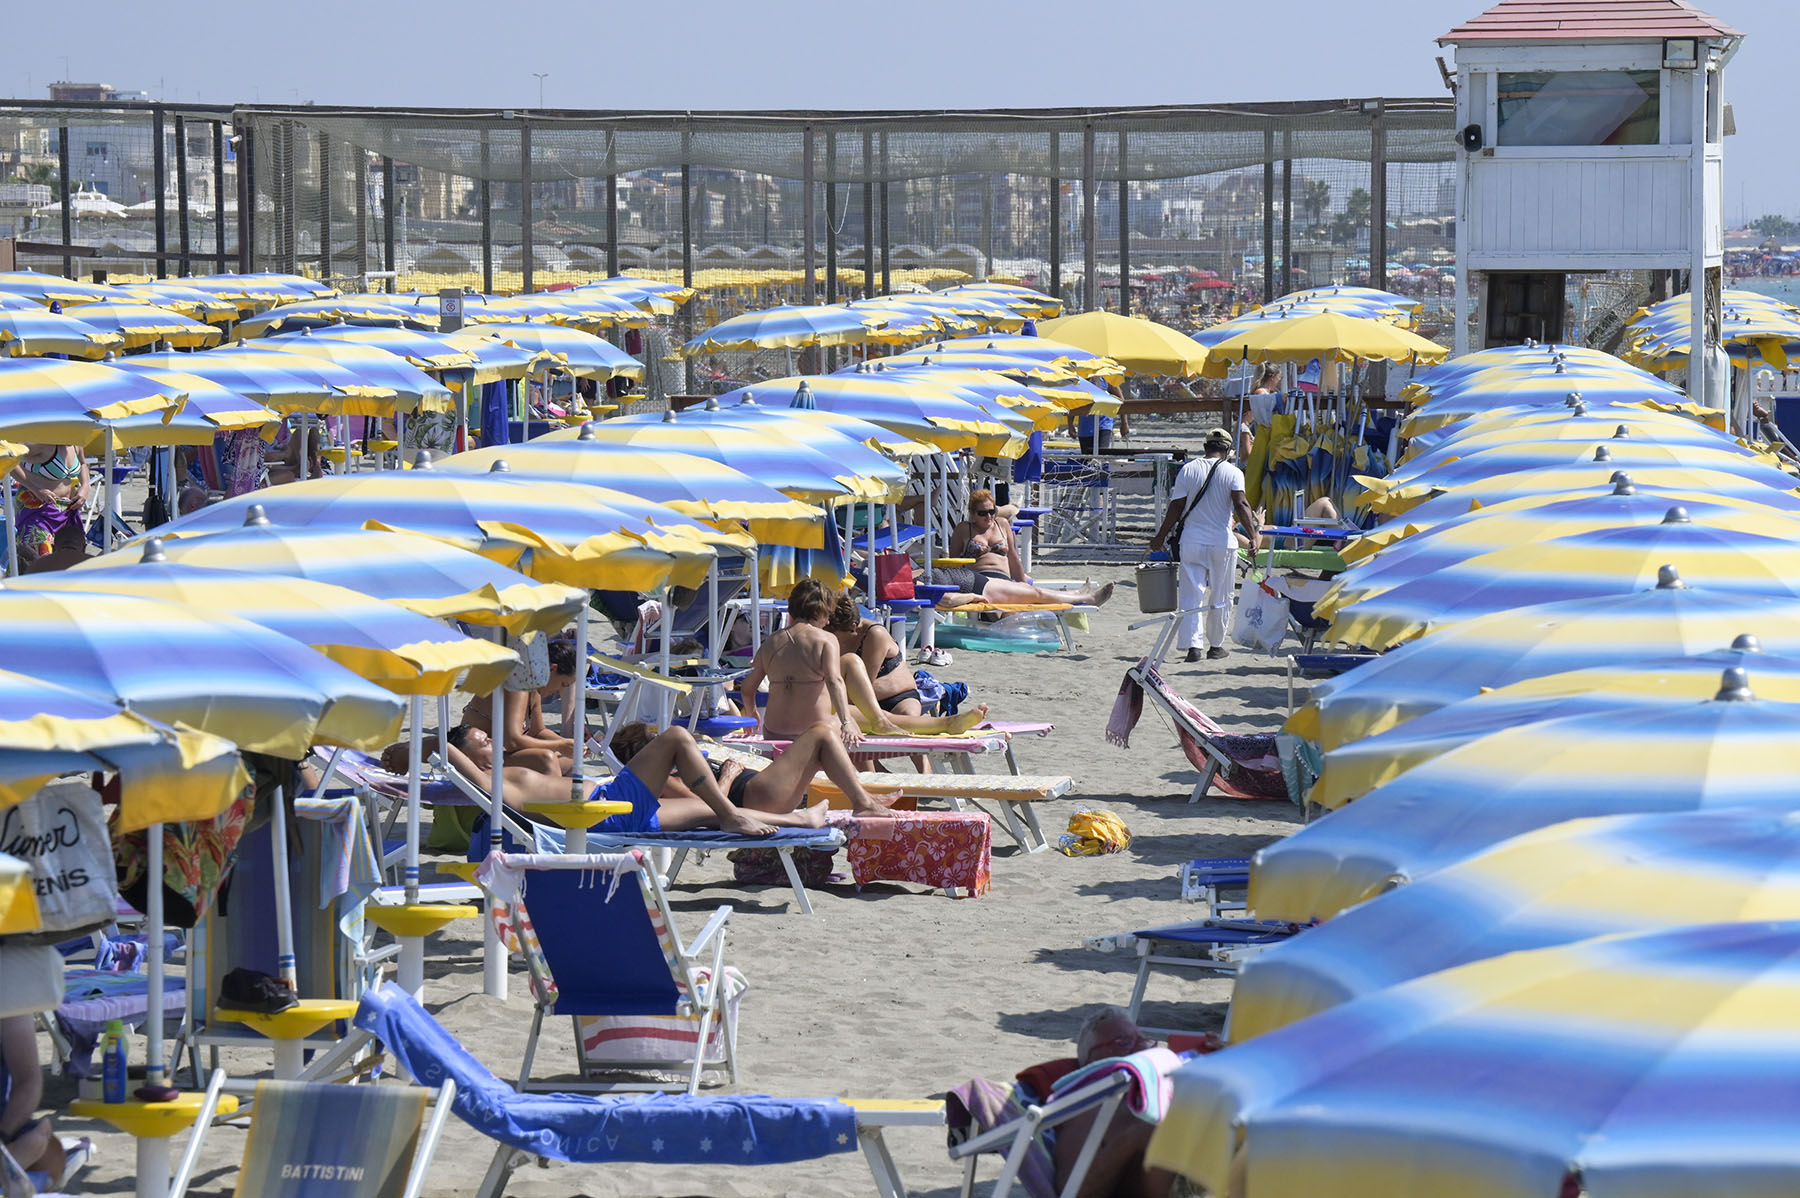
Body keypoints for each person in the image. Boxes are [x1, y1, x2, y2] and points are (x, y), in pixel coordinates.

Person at [437, 721, 819, 838]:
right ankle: (733, 816)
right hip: (604, 810)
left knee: (706, 811)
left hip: (611, 808)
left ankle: (799, 819)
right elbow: (447, 753)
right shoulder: (491, 783)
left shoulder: (506, 770)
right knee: (675, 737)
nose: (492, 742)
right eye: (483, 743)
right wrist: (432, 746)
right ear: (468, 757)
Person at [740, 579, 990, 744]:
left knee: (850, 665)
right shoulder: (825, 640)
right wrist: (845, 723)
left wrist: (752, 715)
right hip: (814, 730)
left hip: (773, 730)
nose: (828, 621)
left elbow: (748, 687)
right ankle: (943, 723)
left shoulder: (771, 642)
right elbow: (835, 682)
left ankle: (893, 723)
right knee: (860, 717)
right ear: (820, 612)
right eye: (828, 614)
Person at [1149, 428, 1260, 663]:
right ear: (1227, 450)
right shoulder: (1233, 472)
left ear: (1205, 447)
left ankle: (1193, 647)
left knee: (1191, 595)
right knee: (1222, 595)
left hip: (1192, 541)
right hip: (1222, 543)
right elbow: (1241, 505)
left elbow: (1176, 507)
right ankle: (1216, 646)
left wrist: (1160, 536)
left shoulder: (1189, 469)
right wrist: (1252, 537)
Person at [1051, 1008, 1177, 1198]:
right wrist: (1129, 1140)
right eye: (1124, 1042)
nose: (1141, 1048)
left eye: (1143, 1040)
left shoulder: (1161, 1090)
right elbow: (1072, 1192)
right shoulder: (1087, 1110)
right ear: (1091, 1060)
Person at [940, 490, 1116, 609]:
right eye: (982, 513)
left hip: (1004, 579)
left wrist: (1021, 580)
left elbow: (1013, 557)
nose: (989, 516)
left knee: (1032, 593)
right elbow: (954, 565)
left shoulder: (1002, 524)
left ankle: (1077, 594)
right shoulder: (964, 529)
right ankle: (1085, 598)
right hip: (981, 580)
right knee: (1034, 594)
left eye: (992, 511)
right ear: (973, 514)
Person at [460, 641, 579, 776]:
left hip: (496, 752)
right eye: (563, 684)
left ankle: (558, 788)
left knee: (570, 762)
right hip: (476, 756)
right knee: (546, 759)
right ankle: (554, 790)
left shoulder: (533, 686)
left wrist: (568, 744)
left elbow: (538, 731)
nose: (559, 691)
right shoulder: (519, 685)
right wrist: (559, 746)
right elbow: (512, 741)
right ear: (552, 668)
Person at [8, 443, 89, 571]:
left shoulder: (75, 444)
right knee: (39, 557)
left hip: (67, 509)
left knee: (70, 556)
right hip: (38, 506)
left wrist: (85, 486)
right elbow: (9, 459)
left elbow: (83, 463)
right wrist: (36, 489)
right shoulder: (41, 444)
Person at [1068, 380, 1131, 455]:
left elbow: (1121, 400)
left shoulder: (1106, 379)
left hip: (1103, 424)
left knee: (1101, 455)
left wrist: (1124, 423)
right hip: (1085, 426)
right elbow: (1072, 403)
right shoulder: (1079, 380)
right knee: (1087, 458)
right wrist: (1070, 425)